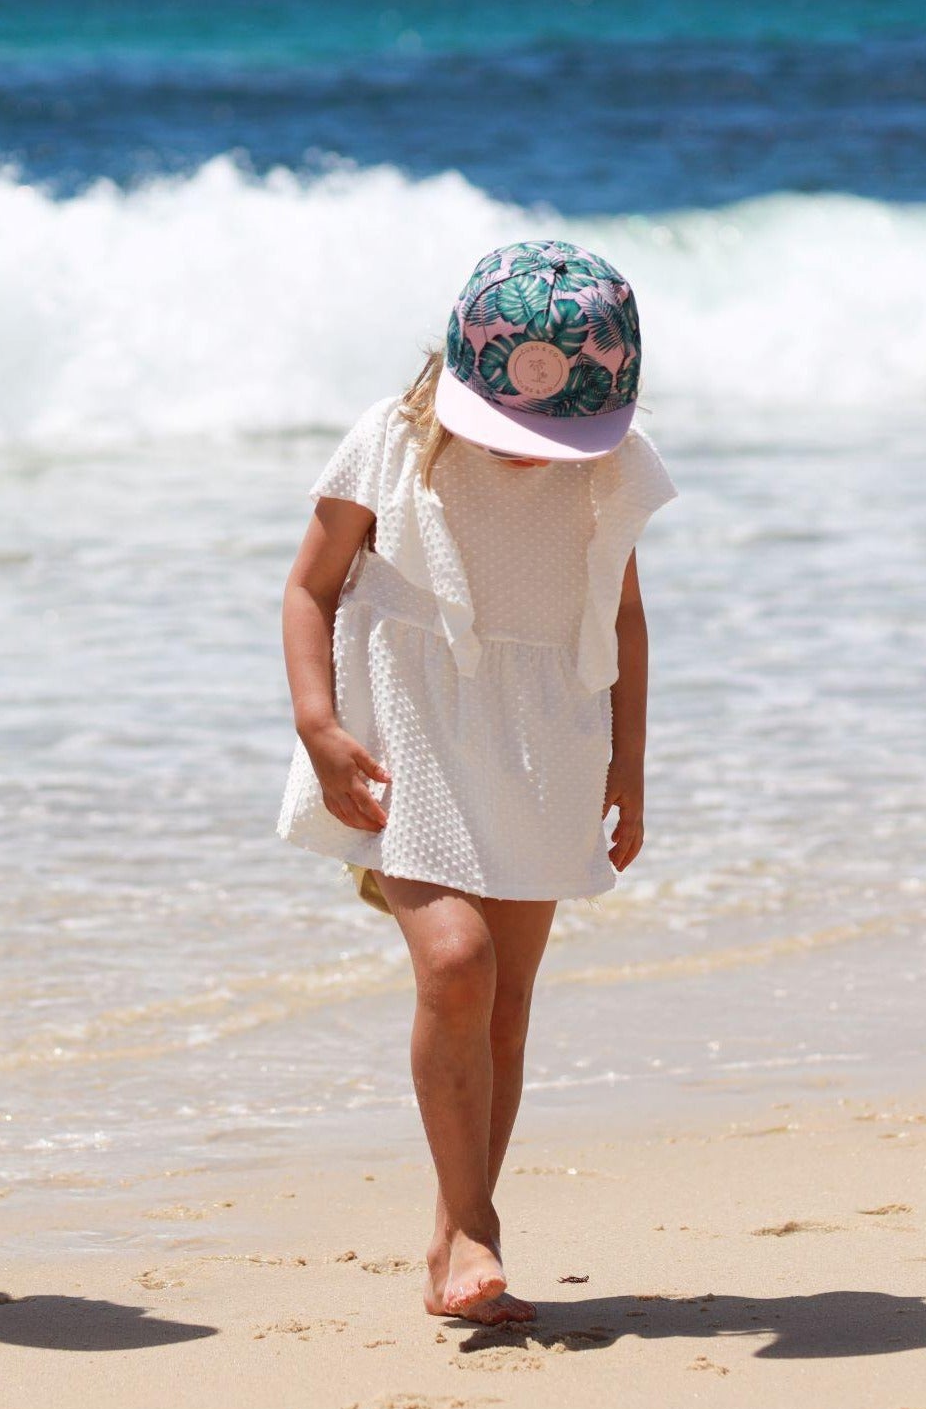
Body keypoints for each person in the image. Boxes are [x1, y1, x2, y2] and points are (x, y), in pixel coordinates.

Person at [277, 241, 676, 1324]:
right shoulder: (391, 446)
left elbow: (621, 616)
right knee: (457, 962)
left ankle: (456, 1231)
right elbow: (309, 590)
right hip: (409, 733)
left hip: (549, 738)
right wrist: (318, 726)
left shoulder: (606, 464)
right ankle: (479, 1226)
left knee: (505, 1002)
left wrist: (630, 766)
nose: (540, 455)